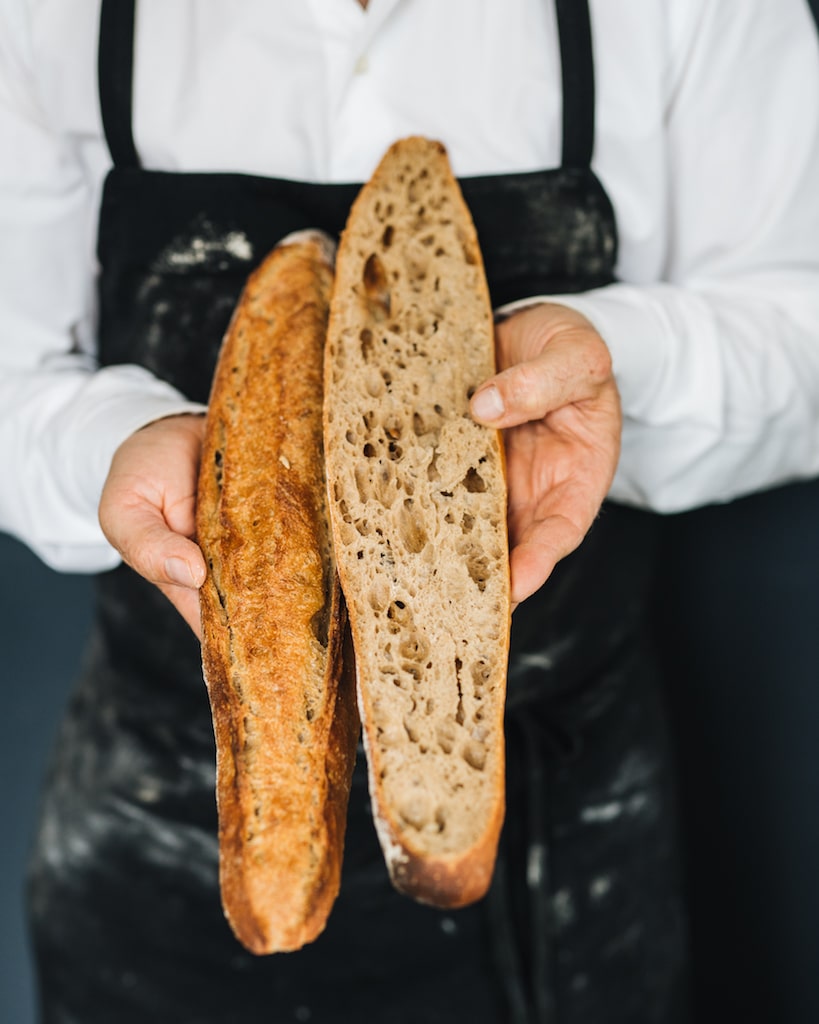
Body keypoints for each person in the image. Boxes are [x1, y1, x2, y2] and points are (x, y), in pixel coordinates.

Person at [1, 1, 818, 1022]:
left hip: (560, 852)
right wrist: (114, 439)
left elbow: (807, 324)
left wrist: (625, 357)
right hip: (157, 840)